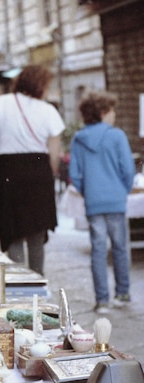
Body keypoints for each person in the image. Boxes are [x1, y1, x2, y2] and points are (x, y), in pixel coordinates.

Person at [0, 65, 65, 275]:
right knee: (36, 233)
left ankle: (17, 284)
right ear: (40, 85)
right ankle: (37, 282)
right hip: (38, 171)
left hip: (6, 171)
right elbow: (55, 152)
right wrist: (49, 174)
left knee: (11, 229)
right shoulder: (48, 110)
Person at [68, 90, 135, 314]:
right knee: (120, 247)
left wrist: (89, 192)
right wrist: (121, 190)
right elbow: (128, 169)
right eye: (112, 110)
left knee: (98, 250)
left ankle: (102, 300)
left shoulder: (79, 138)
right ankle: (122, 294)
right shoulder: (117, 136)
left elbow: (75, 174)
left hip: (94, 202)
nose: (114, 114)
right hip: (115, 200)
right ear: (104, 112)